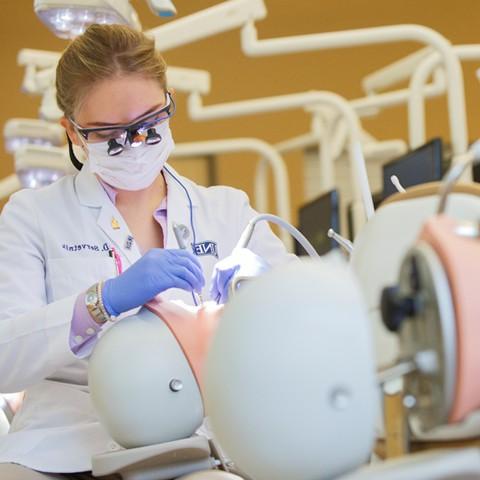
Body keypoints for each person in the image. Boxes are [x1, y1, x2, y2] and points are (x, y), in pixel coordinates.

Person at [0, 24, 293, 479]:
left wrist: (259, 301)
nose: (134, 145)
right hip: (64, 442)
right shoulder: (32, 215)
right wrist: (101, 302)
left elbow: (302, 318)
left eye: (148, 126)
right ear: (73, 133)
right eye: (110, 134)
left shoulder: (226, 211)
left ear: (168, 102)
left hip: (190, 440)